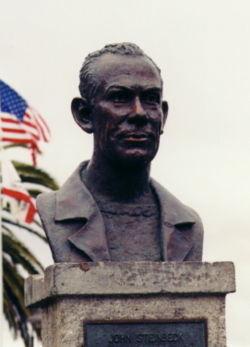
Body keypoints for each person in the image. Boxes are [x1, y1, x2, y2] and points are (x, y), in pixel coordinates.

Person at [37, 43, 203, 263]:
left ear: (163, 115)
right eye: (119, 98)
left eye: (150, 99)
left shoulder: (188, 225)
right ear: (84, 115)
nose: (139, 113)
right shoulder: (52, 212)